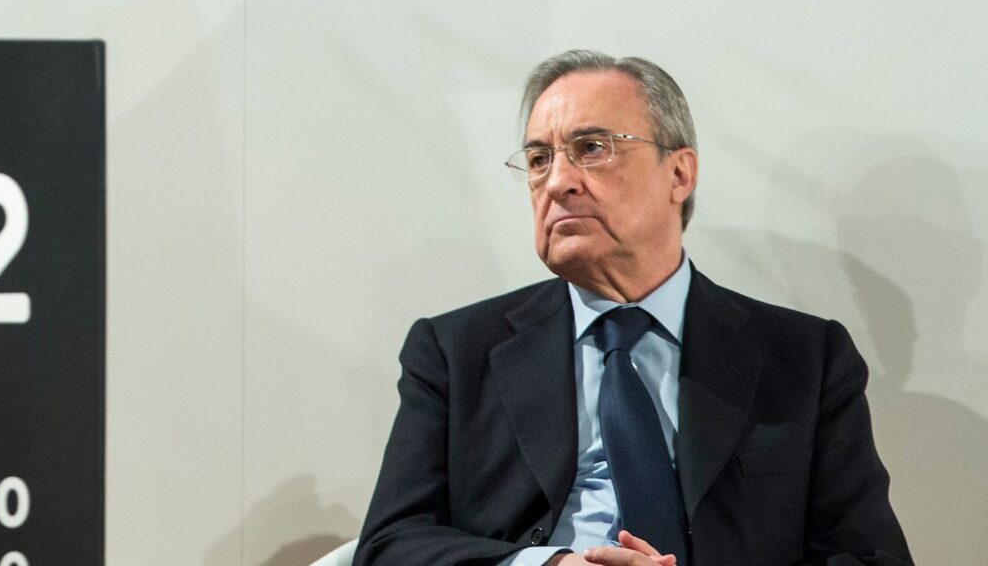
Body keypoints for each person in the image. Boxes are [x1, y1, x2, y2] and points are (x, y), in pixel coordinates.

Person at [353, 50, 912, 565]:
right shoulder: (456, 351)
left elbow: (868, 557)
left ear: (679, 174)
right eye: (540, 159)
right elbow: (386, 547)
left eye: (592, 148)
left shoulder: (805, 357)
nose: (558, 182)